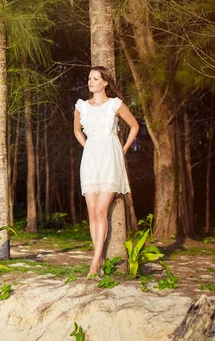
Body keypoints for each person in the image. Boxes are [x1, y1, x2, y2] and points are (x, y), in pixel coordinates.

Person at [73, 66, 139, 276]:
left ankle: (95, 263)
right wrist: (88, 146)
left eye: (95, 78)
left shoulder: (115, 104)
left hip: (111, 158)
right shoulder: (82, 106)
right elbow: (76, 130)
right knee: (92, 212)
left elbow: (135, 126)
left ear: (105, 83)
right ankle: (98, 258)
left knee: (101, 210)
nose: (90, 82)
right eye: (89, 78)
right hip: (90, 159)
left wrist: (123, 150)